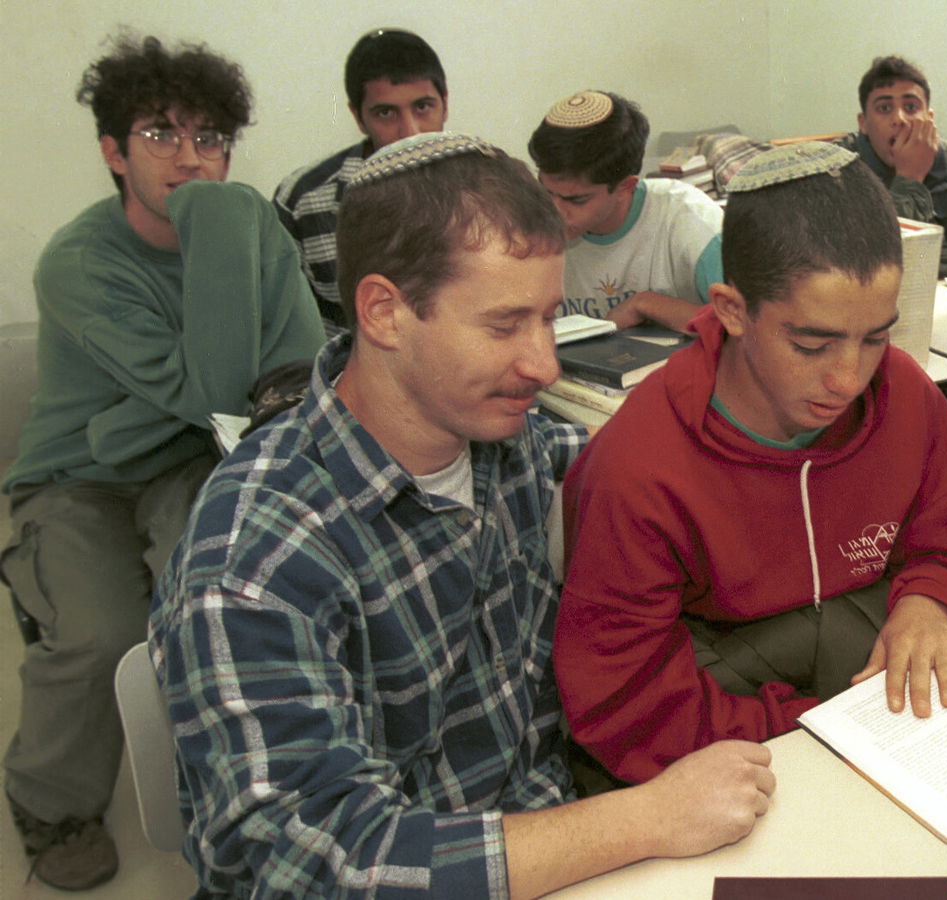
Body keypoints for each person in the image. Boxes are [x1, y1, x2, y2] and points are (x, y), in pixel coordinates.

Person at [150, 133, 776, 898]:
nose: (544, 364)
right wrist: (645, 818)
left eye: (548, 320)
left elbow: (665, 485)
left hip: (558, 843)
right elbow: (323, 868)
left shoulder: (508, 444)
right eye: (504, 325)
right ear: (384, 312)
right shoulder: (255, 558)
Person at [555, 142, 947, 785]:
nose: (849, 378)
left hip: (871, 715)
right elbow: (626, 704)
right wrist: (820, 728)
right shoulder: (638, 469)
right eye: (811, 344)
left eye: (876, 337)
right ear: (732, 310)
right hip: (742, 744)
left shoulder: (908, 397)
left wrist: (929, 605)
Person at [0, 34, 323, 891]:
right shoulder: (79, 262)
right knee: (102, 633)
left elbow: (293, 371)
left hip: (192, 455)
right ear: (113, 152)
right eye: (160, 134)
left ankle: (234, 785)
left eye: (210, 137)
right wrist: (219, 221)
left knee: (223, 605)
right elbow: (216, 387)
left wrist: (146, 416)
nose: (190, 158)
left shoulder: (252, 225)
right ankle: (48, 801)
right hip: (81, 473)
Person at [274, 28, 448, 330]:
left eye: (422, 107)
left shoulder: (487, 188)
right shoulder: (303, 200)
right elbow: (287, 326)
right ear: (358, 117)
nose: (410, 132)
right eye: (386, 113)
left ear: (445, 103)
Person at [528, 90, 723, 330]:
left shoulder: (691, 221)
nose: (555, 213)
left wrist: (645, 304)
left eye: (576, 200)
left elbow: (748, 326)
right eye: (547, 192)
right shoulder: (527, 225)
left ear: (625, 186)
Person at [834, 55, 947, 277]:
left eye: (911, 107)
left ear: (929, 118)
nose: (899, 119)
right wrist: (910, 177)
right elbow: (874, 262)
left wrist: (918, 265)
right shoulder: (839, 168)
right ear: (863, 123)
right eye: (884, 108)